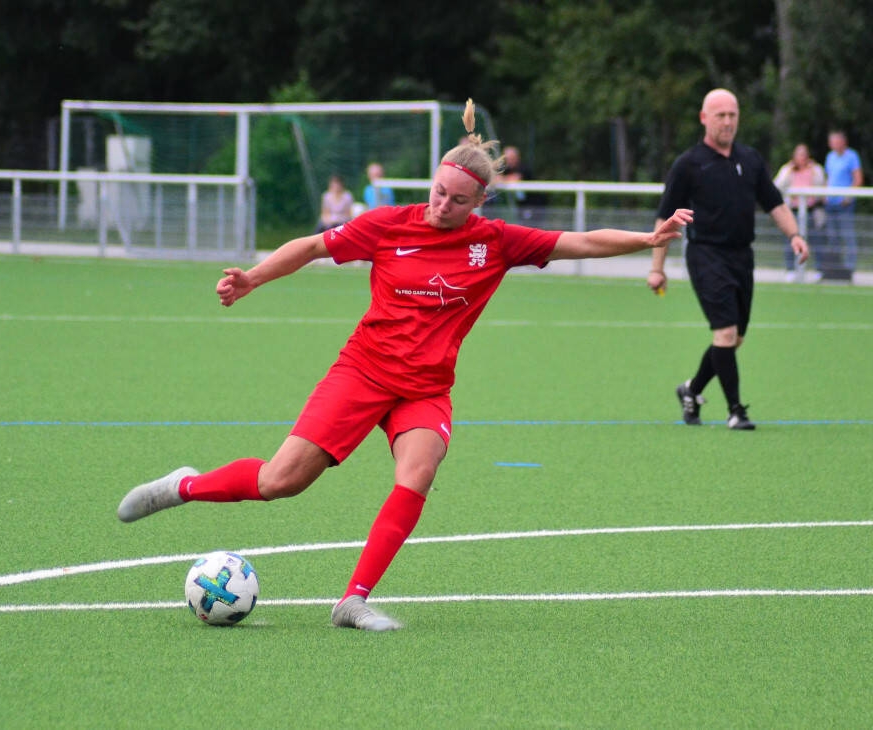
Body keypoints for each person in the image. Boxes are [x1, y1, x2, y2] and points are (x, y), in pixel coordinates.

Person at [118, 99, 693, 631]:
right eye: (439, 192)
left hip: (425, 390)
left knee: (418, 471)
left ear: (480, 203)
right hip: (361, 373)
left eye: (458, 200)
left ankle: (353, 600)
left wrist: (649, 238)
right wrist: (252, 278)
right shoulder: (389, 224)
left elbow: (580, 242)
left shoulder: (495, 242)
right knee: (280, 481)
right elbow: (315, 246)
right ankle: (184, 486)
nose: (443, 205)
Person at [647, 88, 809, 431]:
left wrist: (794, 235)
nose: (727, 121)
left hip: (741, 256)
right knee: (725, 332)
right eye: (720, 115)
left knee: (734, 339)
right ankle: (736, 410)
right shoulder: (689, 164)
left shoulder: (750, 159)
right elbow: (665, 219)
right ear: (704, 118)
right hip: (705, 254)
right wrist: (656, 268)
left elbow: (775, 203)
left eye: (732, 115)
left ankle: (690, 390)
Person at [773, 143, 826, 279]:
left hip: (811, 210)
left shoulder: (815, 169)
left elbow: (821, 186)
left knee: (815, 240)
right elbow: (777, 185)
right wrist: (789, 170)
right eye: (799, 154)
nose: (801, 157)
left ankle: (818, 270)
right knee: (791, 239)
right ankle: (791, 269)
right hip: (793, 210)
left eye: (804, 154)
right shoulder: (787, 169)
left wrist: (813, 170)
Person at [823, 130, 863, 279]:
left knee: (847, 235)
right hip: (831, 203)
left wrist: (848, 196)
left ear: (842, 141)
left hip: (844, 204)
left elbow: (858, 179)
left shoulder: (852, 156)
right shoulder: (830, 157)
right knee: (832, 237)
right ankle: (835, 269)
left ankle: (850, 268)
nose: (832, 144)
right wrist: (825, 194)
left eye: (834, 141)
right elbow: (829, 178)